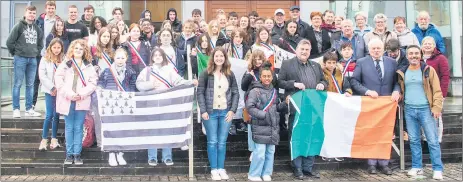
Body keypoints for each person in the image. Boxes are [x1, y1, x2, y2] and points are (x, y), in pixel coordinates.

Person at [136, 48, 196, 166]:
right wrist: (150, 85)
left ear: (163, 57)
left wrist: (190, 82)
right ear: (152, 57)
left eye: (160, 55)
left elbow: (179, 81)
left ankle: (167, 156)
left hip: (167, 105)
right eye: (155, 55)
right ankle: (152, 157)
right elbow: (138, 84)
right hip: (151, 105)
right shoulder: (147, 71)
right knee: (152, 132)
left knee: (167, 130)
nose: (158, 57)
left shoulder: (169, 70)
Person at [278, 40, 327, 179]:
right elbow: (279, 82)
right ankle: (297, 168)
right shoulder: (287, 64)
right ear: (296, 50)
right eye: (302, 49)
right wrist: (294, 84)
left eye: (307, 49)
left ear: (310, 51)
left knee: (312, 136)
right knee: (297, 137)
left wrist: (322, 85)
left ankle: (308, 167)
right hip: (297, 107)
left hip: (313, 107)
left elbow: (325, 81)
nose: (304, 51)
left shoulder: (316, 66)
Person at [350, 38, 400, 175]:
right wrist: (366, 91)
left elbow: (397, 81)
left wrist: (397, 90)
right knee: (371, 132)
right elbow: (354, 81)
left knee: (385, 133)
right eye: (373, 48)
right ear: (369, 50)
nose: (376, 51)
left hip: (387, 105)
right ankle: (371, 163)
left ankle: (384, 163)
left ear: (383, 49)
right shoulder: (361, 62)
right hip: (370, 104)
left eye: (378, 48)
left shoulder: (392, 62)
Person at [397, 45, 444, 180]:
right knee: (414, 140)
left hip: (426, 110)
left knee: (432, 140)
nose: (414, 56)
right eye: (411, 53)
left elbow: (437, 90)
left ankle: (437, 168)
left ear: (421, 54)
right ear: (407, 56)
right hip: (409, 110)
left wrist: (436, 108)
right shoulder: (403, 71)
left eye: (416, 53)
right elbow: (401, 89)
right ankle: (417, 167)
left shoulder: (428, 70)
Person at [197, 47, 239, 181]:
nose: (219, 58)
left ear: (225, 58)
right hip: (211, 113)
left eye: (221, 56)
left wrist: (232, 110)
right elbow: (200, 92)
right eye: (217, 56)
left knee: (222, 142)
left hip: (225, 112)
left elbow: (235, 93)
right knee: (212, 141)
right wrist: (203, 110)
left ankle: (221, 168)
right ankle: (214, 169)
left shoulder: (230, 74)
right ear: (213, 58)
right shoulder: (206, 73)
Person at [55, 39, 97, 165]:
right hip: (67, 100)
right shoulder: (65, 64)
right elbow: (58, 80)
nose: (78, 50)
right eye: (76, 48)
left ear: (84, 51)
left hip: (82, 100)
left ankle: (77, 154)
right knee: (69, 127)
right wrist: (70, 94)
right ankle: (69, 154)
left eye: (81, 48)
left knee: (78, 128)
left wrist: (82, 94)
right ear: (72, 49)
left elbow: (93, 83)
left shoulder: (89, 66)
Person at [246, 62, 287, 182]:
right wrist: (263, 115)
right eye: (264, 76)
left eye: (269, 76)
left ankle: (266, 173)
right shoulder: (255, 91)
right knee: (259, 153)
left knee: (270, 152)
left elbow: (276, 108)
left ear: (272, 77)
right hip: (260, 126)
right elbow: (250, 107)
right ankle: (254, 174)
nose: (267, 78)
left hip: (273, 126)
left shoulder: (274, 91)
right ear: (260, 77)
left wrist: (285, 104)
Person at [97, 48, 136, 166]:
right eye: (118, 58)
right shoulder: (107, 71)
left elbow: (133, 88)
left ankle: (120, 153)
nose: (120, 60)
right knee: (111, 129)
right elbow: (100, 83)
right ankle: (111, 154)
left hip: (124, 104)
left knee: (122, 129)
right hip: (110, 104)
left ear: (126, 59)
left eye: (122, 58)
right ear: (114, 58)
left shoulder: (131, 72)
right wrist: (99, 88)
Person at [7, 5, 44, 118]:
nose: (31, 15)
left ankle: (29, 109)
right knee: (17, 84)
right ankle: (16, 109)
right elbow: (9, 42)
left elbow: (40, 44)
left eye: (33, 13)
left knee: (30, 85)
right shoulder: (19, 26)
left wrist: (35, 53)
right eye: (30, 12)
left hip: (33, 59)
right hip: (20, 58)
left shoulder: (37, 28)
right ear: (25, 13)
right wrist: (16, 53)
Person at [421, 36, 450, 143]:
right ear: (421, 46)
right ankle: (425, 139)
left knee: (436, 117)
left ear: (434, 46)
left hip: (436, 93)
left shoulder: (440, 58)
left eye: (430, 44)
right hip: (422, 93)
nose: (427, 46)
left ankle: (437, 140)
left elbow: (445, 77)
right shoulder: (418, 58)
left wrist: (442, 94)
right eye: (425, 44)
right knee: (424, 117)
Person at [38, 38, 65, 150]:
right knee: (49, 115)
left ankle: (54, 139)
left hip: (60, 91)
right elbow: (42, 75)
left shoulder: (63, 59)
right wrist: (52, 87)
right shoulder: (45, 59)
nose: (56, 50)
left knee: (56, 114)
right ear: (50, 47)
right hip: (49, 90)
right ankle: (44, 139)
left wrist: (59, 88)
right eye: (54, 47)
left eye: (59, 48)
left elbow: (65, 74)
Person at [34, 1, 60, 109]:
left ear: (55, 9)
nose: (50, 10)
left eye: (52, 8)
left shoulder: (58, 21)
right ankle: (32, 104)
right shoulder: (39, 21)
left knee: (54, 78)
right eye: (49, 8)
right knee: (36, 79)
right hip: (40, 54)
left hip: (54, 54)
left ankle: (55, 107)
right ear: (46, 9)